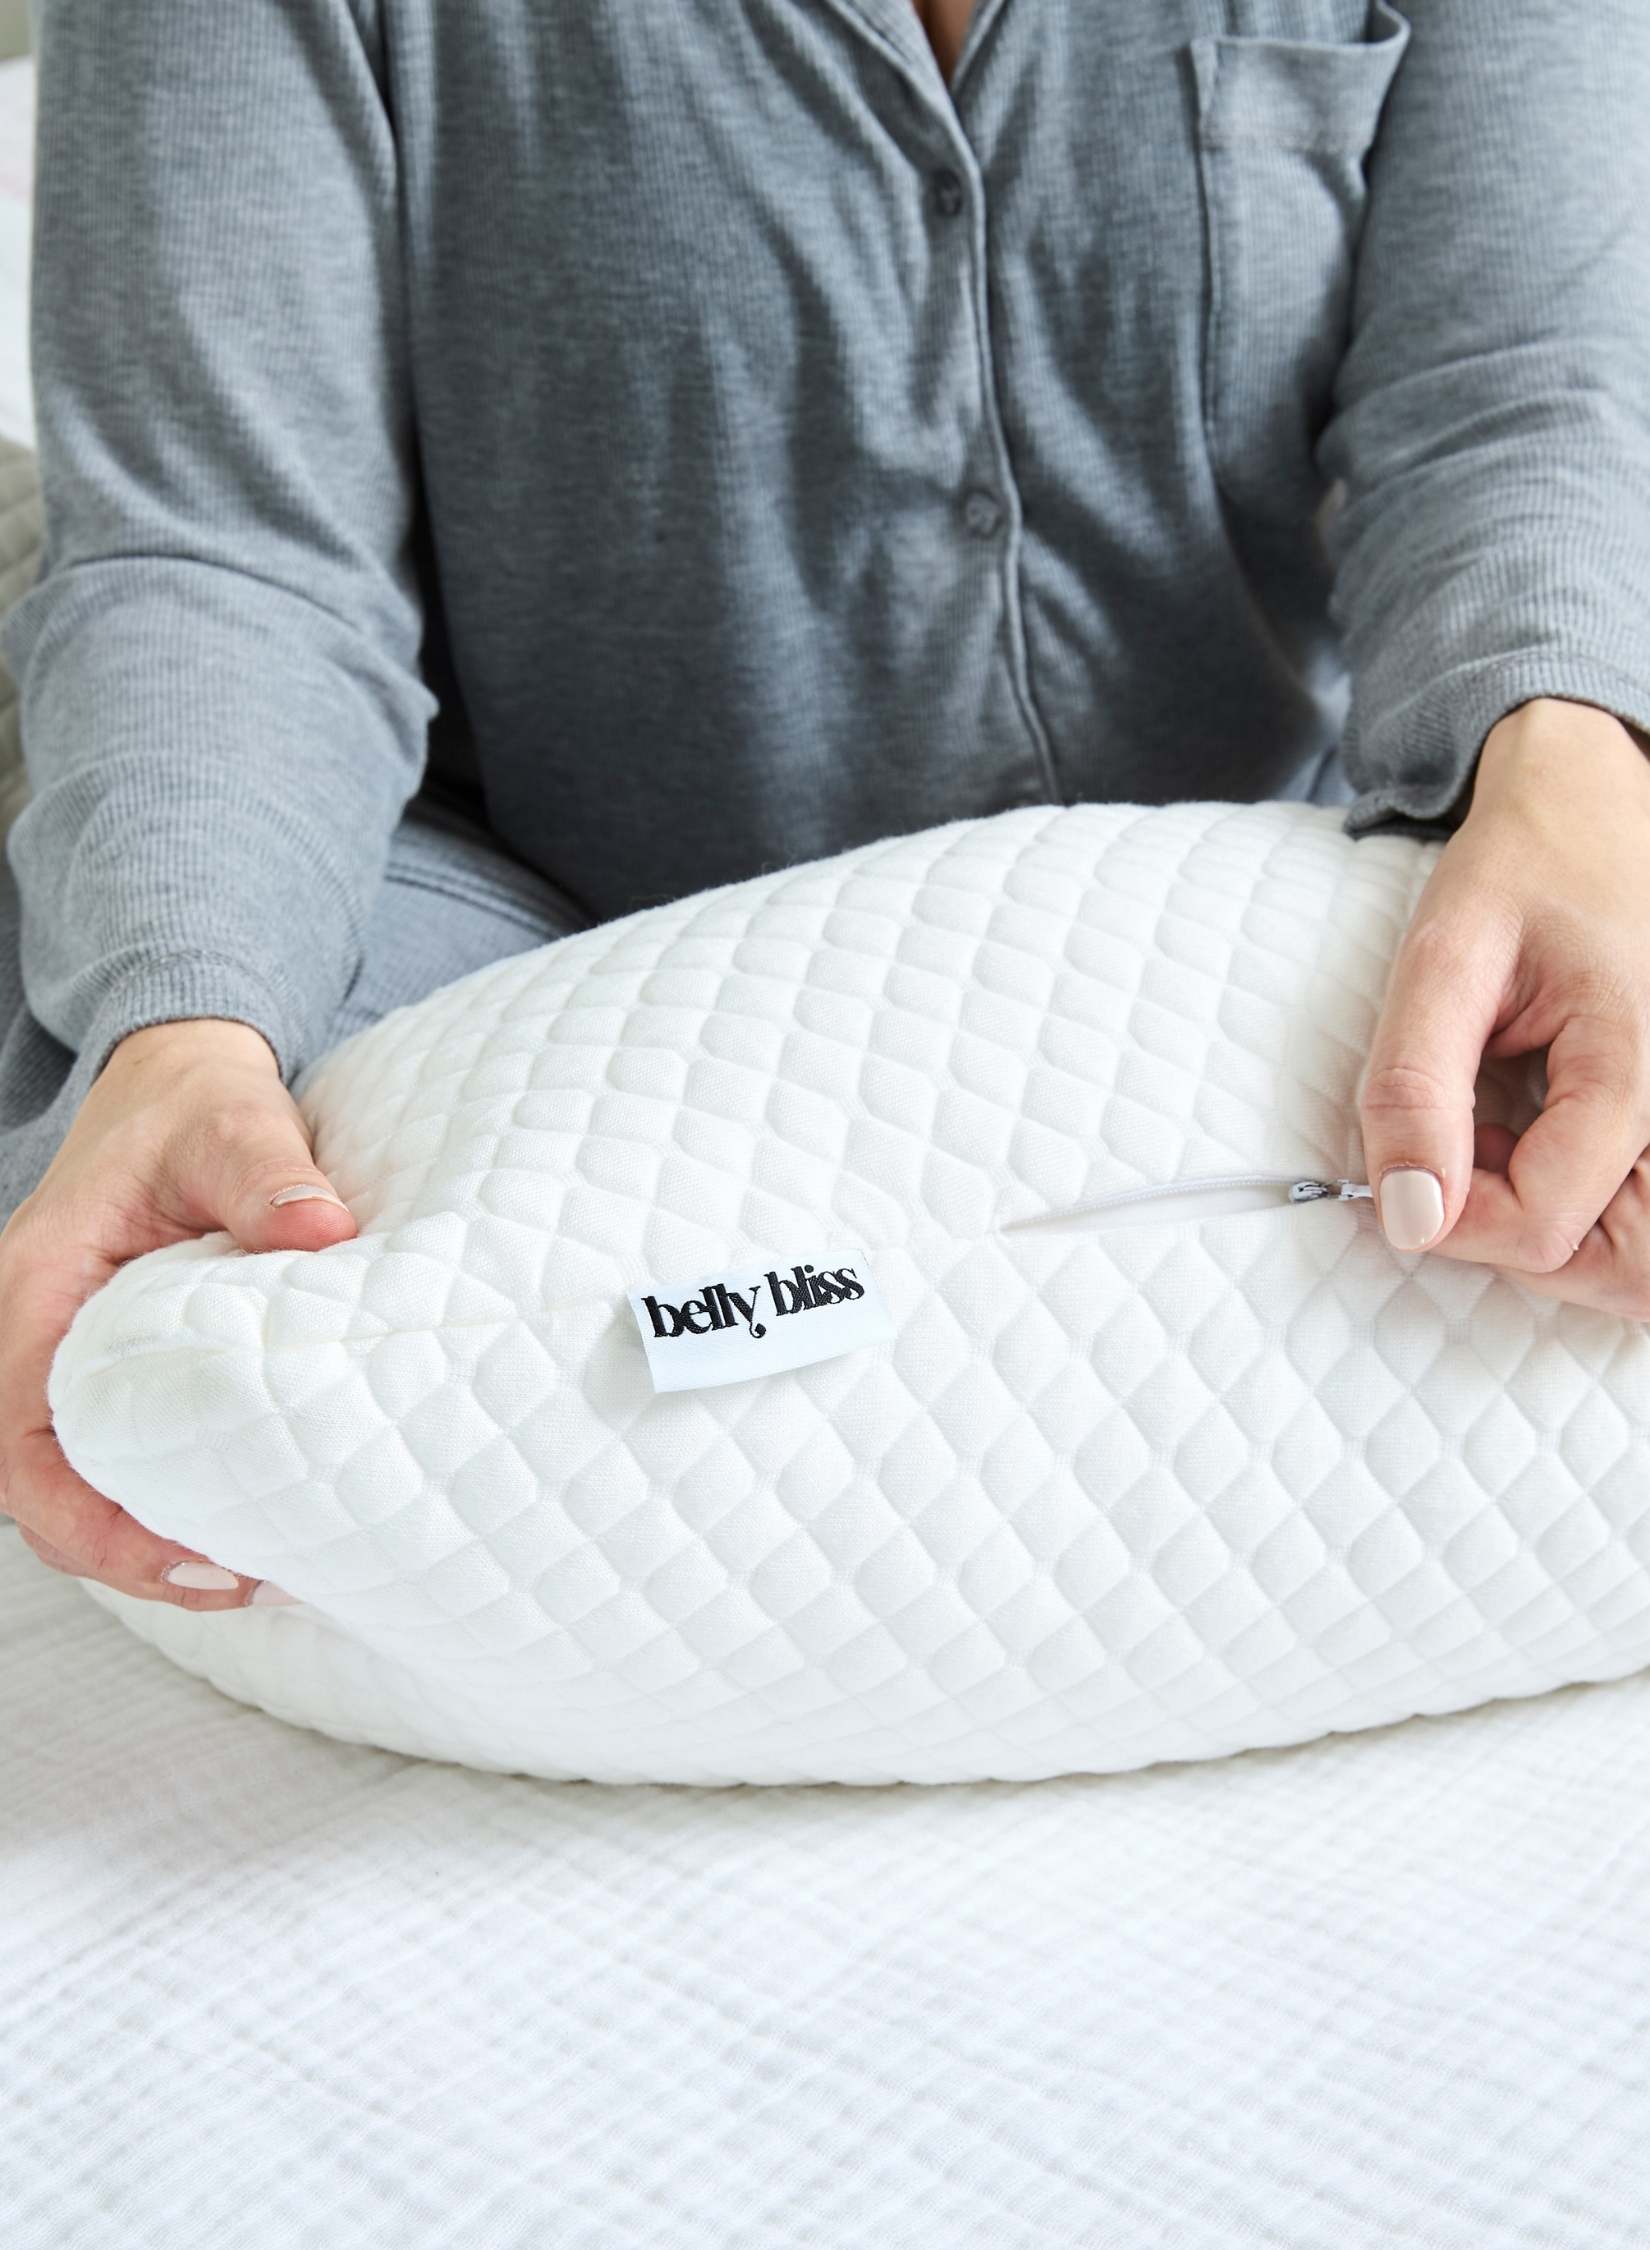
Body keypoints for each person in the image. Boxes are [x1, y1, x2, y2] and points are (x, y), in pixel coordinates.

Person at [2, 0, 1649, 1616]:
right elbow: (231, 547)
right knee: (204, 1292)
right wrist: (179, 1024)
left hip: (1239, 868)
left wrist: (1569, 761)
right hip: (517, 903)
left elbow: (1510, 391)